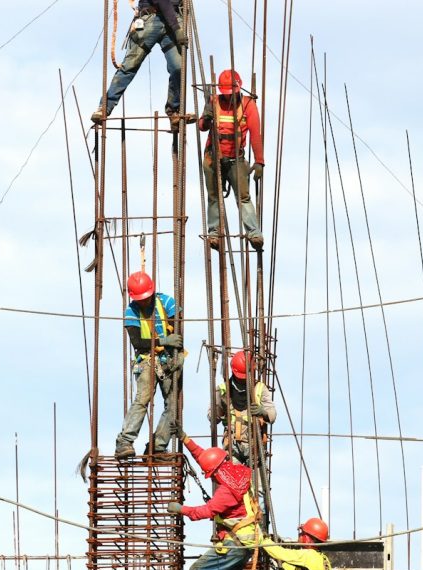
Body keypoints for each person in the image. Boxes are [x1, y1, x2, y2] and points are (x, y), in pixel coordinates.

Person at [170, 434, 260, 570]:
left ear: (215, 472)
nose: (210, 478)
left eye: (210, 475)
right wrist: (185, 439)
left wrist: (180, 509)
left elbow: (206, 511)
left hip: (235, 543)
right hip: (245, 545)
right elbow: (205, 456)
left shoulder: (227, 491)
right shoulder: (236, 473)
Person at [115, 271, 182, 458]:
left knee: (173, 404)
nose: (144, 302)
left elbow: (178, 331)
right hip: (146, 360)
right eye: (140, 299)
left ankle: (158, 446)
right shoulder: (131, 311)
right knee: (142, 400)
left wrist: (178, 352)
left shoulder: (167, 302)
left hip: (168, 361)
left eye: (146, 298)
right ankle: (124, 441)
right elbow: (137, 343)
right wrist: (163, 341)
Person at [90, 0, 189, 125]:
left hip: (174, 19)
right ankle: (105, 107)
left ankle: (174, 110)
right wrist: (177, 28)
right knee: (130, 66)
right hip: (152, 19)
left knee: (178, 68)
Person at [198, 69, 265, 250]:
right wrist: (206, 115)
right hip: (213, 158)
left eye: (232, 93)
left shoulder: (248, 104)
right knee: (213, 197)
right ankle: (214, 233)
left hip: (236, 160)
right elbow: (202, 127)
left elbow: (255, 134)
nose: (229, 97)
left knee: (243, 197)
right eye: (227, 94)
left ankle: (254, 233)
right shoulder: (214, 102)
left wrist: (259, 161)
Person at [209, 349, 276, 465]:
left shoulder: (260, 388)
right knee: (234, 480)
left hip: (254, 446)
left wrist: (262, 412)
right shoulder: (223, 390)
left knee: (257, 482)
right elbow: (212, 418)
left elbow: (272, 415)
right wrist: (220, 408)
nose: (242, 379)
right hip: (232, 446)